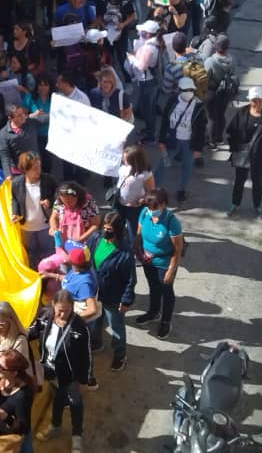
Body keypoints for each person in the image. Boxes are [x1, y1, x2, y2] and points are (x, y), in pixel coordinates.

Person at [30, 290, 96, 452]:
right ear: (53, 305)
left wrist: (83, 380)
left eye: (67, 310)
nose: (62, 314)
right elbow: (29, 332)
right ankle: (55, 425)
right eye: (59, 309)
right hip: (50, 372)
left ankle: (77, 435)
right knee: (57, 399)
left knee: (75, 404)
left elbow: (86, 356)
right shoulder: (45, 317)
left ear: (72, 307)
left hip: (70, 376)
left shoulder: (79, 326)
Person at [86, 211, 137, 372]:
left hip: (114, 296)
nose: (106, 231)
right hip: (96, 290)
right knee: (96, 319)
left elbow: (131, 279)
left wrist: (126, 300)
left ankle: (119, 354)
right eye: (105, 228)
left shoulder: (125, 253)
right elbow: (88, 258)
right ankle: (96, 342)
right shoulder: (96, 238)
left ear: (118, 230)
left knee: (116, 326)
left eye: (110, 229)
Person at [226, 87, 262, 218]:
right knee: (239, 180)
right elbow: (231, 130)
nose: (256, 103)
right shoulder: (241, 113)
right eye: (254, 100)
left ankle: (257, 206)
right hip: (242, 154)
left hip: (260, 155)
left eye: (259, 100)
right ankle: (235, 204)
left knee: (257, 181)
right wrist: (234, 147)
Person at [134, 189, 183, 339]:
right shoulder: (144, 213)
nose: (151, 211)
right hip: (148, 261)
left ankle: (166, 320)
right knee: (153, 287)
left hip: (164, 263)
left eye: (155, 208)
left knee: (166, 292)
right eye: (149, 207)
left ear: (164, 205)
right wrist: (139, 254)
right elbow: (138, 235)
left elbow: (177, 249)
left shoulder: (171, 222)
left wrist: (170, 270)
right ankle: (153, 312)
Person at [157, 77, 206, 204]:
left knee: (187, 167)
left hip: (189, 143)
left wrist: (198, 149)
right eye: (185, 90)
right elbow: (164, 121)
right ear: (179, 90)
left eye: (191, 89)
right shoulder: (173, 101)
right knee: (162, 165)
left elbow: (201, 130)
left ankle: (181, 190)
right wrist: (161, 140)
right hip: (172, 141)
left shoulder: (199, 106)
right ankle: (152, 188)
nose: (188, 92)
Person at [0, 349, 36, 453]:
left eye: (1, 367)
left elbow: (22, 427)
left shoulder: (22, 395)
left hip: (15, 443)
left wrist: (6, 417)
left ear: (14, 373)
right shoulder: (2, 377)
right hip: (1, 437)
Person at [10, 152, 55, 267]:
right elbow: (14, 199)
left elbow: (56, 196)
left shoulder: (48, 180)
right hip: (27, 228)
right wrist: (15, 213)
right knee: (31, 255)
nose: (38, 170)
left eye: (39, 167)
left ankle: (48, 280)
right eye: (35, 168)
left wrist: (49, 202)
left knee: (48, 255)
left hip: (45, 227)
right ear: (25, 170)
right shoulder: (16, 183)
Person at [113, 144, 155, 241]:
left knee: (133, 231)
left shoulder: (145, 173)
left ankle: (134, 250)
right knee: (116, 226)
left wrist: (140, 201)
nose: (123, 161)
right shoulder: (123, 167)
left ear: (134, 160)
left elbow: (151, 191)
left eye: (126, 159)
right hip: (119, 204)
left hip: (134, 208)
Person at [204, 35, 237, 148]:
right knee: (221, 115)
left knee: (212, 117)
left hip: (212, 92)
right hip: (225, 92)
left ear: (216, 47)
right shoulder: (232, 60)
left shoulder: (210, 61)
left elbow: (205, 78)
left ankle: (212, 141)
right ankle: (219, 138)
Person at [0, 104, 41, 179]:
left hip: (33, 168)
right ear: (10, 118)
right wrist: (8, 174)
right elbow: (5, 156)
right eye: (19, 115)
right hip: (17, 172)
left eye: (23, 113)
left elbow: (48, 118)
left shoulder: (31, 123)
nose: (23, 116)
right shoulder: (4, 134)